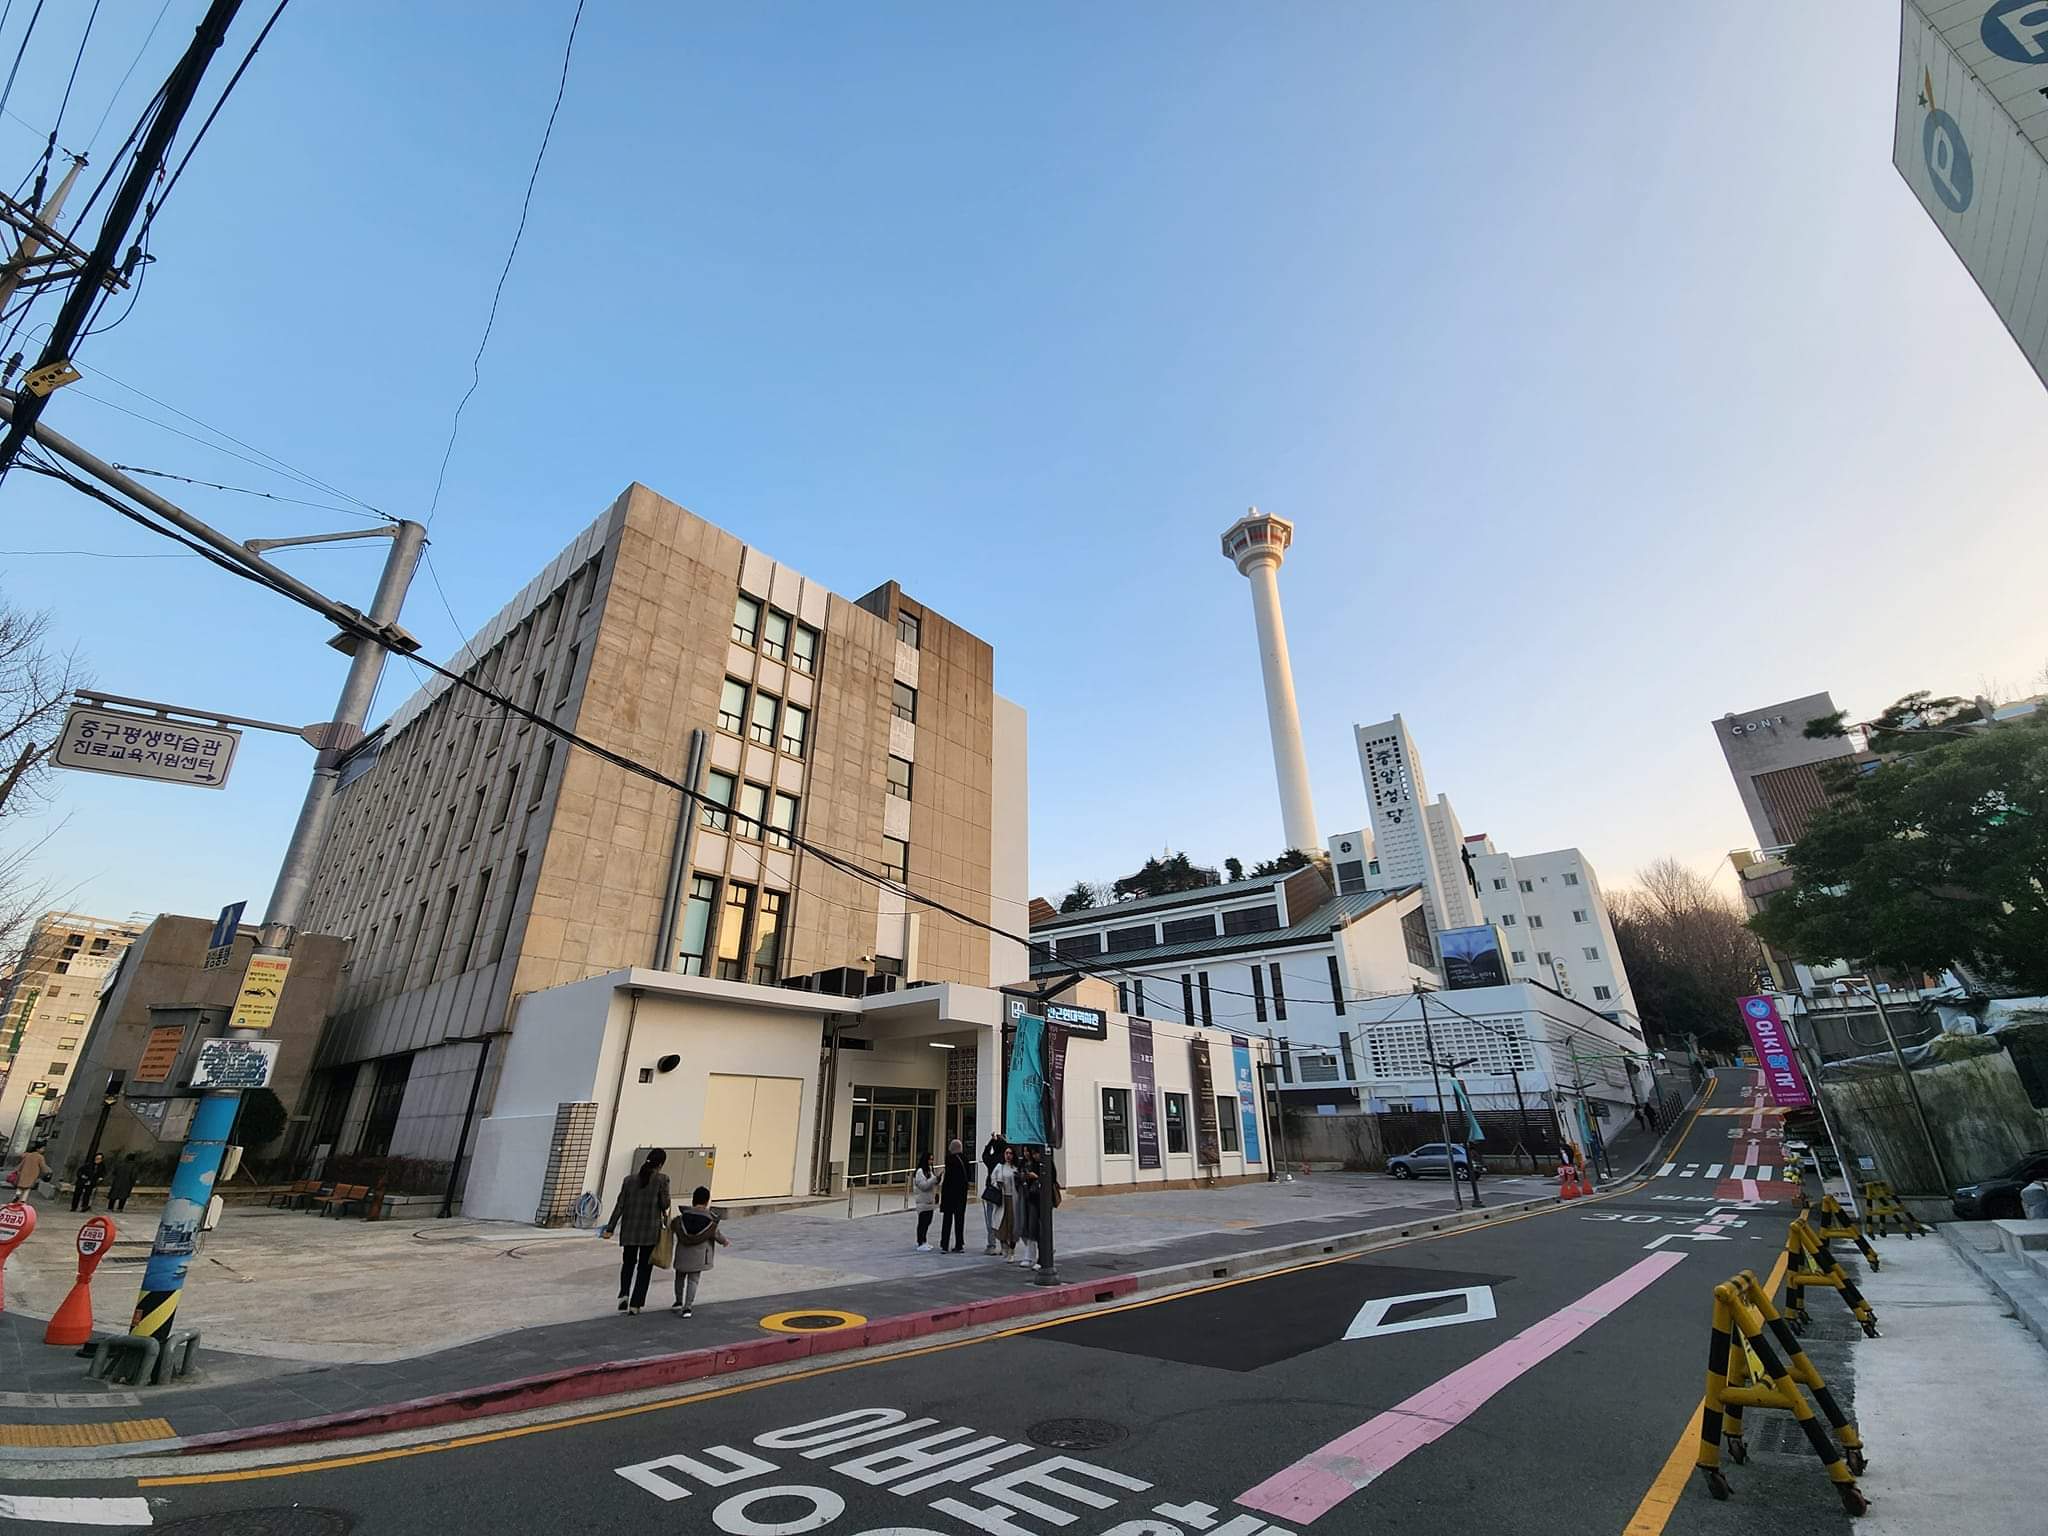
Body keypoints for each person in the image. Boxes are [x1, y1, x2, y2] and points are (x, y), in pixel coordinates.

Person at [601, 1149, 671, 1314]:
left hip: (630, 1230)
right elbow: (664, 1204)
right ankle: (635, 1304)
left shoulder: (629, 1180)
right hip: (649, 1231)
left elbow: (620, 1205)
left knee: (628, 1264)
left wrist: (610, 1228)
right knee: (644, 1268)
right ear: (661, 1164)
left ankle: (624, 1294)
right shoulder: (662, 1179)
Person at [669, 1185, 730, 1316]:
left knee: (679, 1278)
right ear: (707, 1201)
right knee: (693, 1280)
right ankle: (687, 1307)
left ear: (693, 1200)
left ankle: (678, 1302)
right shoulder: (710, 1221)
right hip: (699, 1256)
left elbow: (672, 1227)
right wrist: (724, 1241)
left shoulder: (682, 1218)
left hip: (682, 1254)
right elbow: (716, 1234)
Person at [939, 1138, 971, 1254]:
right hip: (961, 1195)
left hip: (950, 1195)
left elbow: (948, 1178)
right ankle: (959, 1244)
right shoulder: (965, 1159)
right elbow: (968, 1176)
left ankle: (944, 1244)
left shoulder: (950, 1159)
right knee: (959, 1220)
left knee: (947, 1220)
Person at [980, 1134, 1007, 1255]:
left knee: (990, 1218)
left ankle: (991, 1245)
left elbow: (984, 1155)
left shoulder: (992, 1159)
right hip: (1004, 1192)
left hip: (991, 1191)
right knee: (1002, 1218)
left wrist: (991, 1141)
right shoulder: (1005, 1160)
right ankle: (1004, 1245)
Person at [991, 1145, 1019, 1261]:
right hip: (1002, 1199)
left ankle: (1012, 1250)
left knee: (1013, 1225)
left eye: (1010, 1153)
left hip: (1013, 1199)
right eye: (1006, 1153)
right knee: (1001, 1223)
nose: (1008, 1156)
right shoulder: (999, 1167)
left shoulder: (1015, 1168)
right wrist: (997, 1184)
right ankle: (1004, 1245)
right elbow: (993, 1179)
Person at [910, 1153, 937, 1251]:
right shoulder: (920, 1172)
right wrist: (933, 1180)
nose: (931, 1162)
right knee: (923, 1222)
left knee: (928, 1221)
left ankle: (924, 1240)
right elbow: (923, 1186)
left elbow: (932, 1183)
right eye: (930, 1159)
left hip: (929, 1201)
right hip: (922, 1201)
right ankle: (920, 1241)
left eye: (932, 1160)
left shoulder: (930, 1170)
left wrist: (937, 1180)